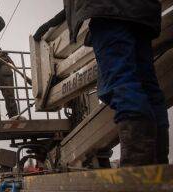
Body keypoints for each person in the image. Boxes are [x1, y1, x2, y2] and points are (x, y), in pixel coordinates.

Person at [63, 0, 169, 166]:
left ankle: (137, 166)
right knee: (147, 86)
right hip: (143, 12)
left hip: (107, 8)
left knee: (121, 83)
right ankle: (156, 163)